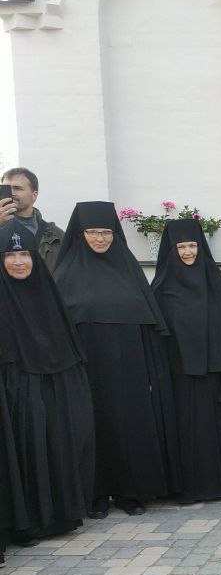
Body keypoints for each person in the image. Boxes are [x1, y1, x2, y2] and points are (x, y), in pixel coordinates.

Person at [54, 201, 180, 517]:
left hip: (129, 367)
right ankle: (96, 494)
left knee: (130, 424)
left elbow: (149, 322)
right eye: (93, 232)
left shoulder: (129, 270)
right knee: (92, 426)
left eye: (106, 232)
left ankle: (131, 492)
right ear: (80, 234)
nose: (100, 238)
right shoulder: (65, 274)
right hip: (88, 368)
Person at [0, 222, 94, 544]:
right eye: (10, 255)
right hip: (16, 391)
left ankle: (60, 516)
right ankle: (28, 523)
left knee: (56, 445)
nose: (18, 262)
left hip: (54, 388)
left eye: (24, 254)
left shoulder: (48, 295)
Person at [151, 220, 221, 504]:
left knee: (214, 432)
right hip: (178, 377)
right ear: (171, 250)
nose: (187, 252)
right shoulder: (160, 288)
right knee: (182, 432)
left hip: (213, 376)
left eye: (192, 246)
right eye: (181, 247)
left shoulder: (216, 283)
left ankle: (219, 485)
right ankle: (185, 489)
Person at [0, 167, 64, 270]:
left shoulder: (55, 234)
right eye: (6, 188)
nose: (11, 193)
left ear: (34, 195)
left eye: (17, 188)